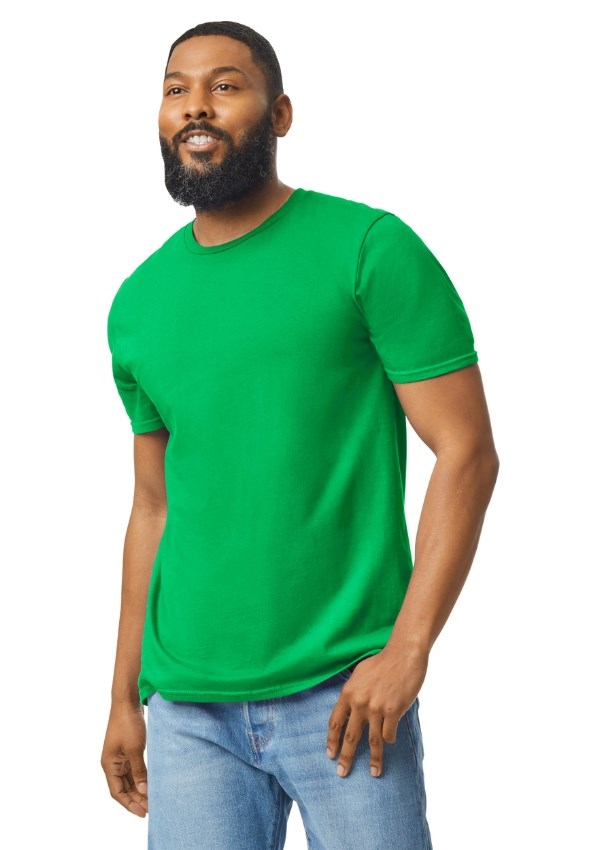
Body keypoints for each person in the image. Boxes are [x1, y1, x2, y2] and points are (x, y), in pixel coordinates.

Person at [100, 20, 499, 850]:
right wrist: (124, 696)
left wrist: (408, 650)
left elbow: (466, 451)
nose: (196, 106)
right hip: (188, 711)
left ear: (280, 114)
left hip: (346, 694)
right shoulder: (138, 303)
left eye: (225, 85)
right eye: (176, 89)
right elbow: (152, 507)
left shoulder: (368, 249)